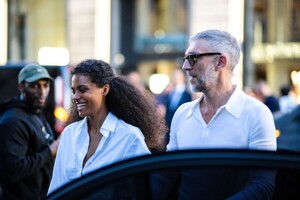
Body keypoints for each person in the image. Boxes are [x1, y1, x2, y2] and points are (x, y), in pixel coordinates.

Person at [150, 29, 277, 199]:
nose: (185, 66)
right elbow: (165, 176)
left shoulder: (257, 113)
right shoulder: (183, 113)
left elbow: (263, 185)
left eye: (193, 58)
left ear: (220, 62)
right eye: (186, 59)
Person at [47, 59, 168, 195]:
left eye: (83, 89)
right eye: (73, 91)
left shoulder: (129, 137)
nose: (75, 97)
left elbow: (142, 191)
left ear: (105, 90)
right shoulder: (69, 134)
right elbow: (56, 187)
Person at [0, 63, 60, 199]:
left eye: (45, 85)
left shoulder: (35, 112)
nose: (42, 91)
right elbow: (13, 170)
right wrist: (49, 152)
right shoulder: (13, 121)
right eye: (35, 86)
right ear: (21, 87)